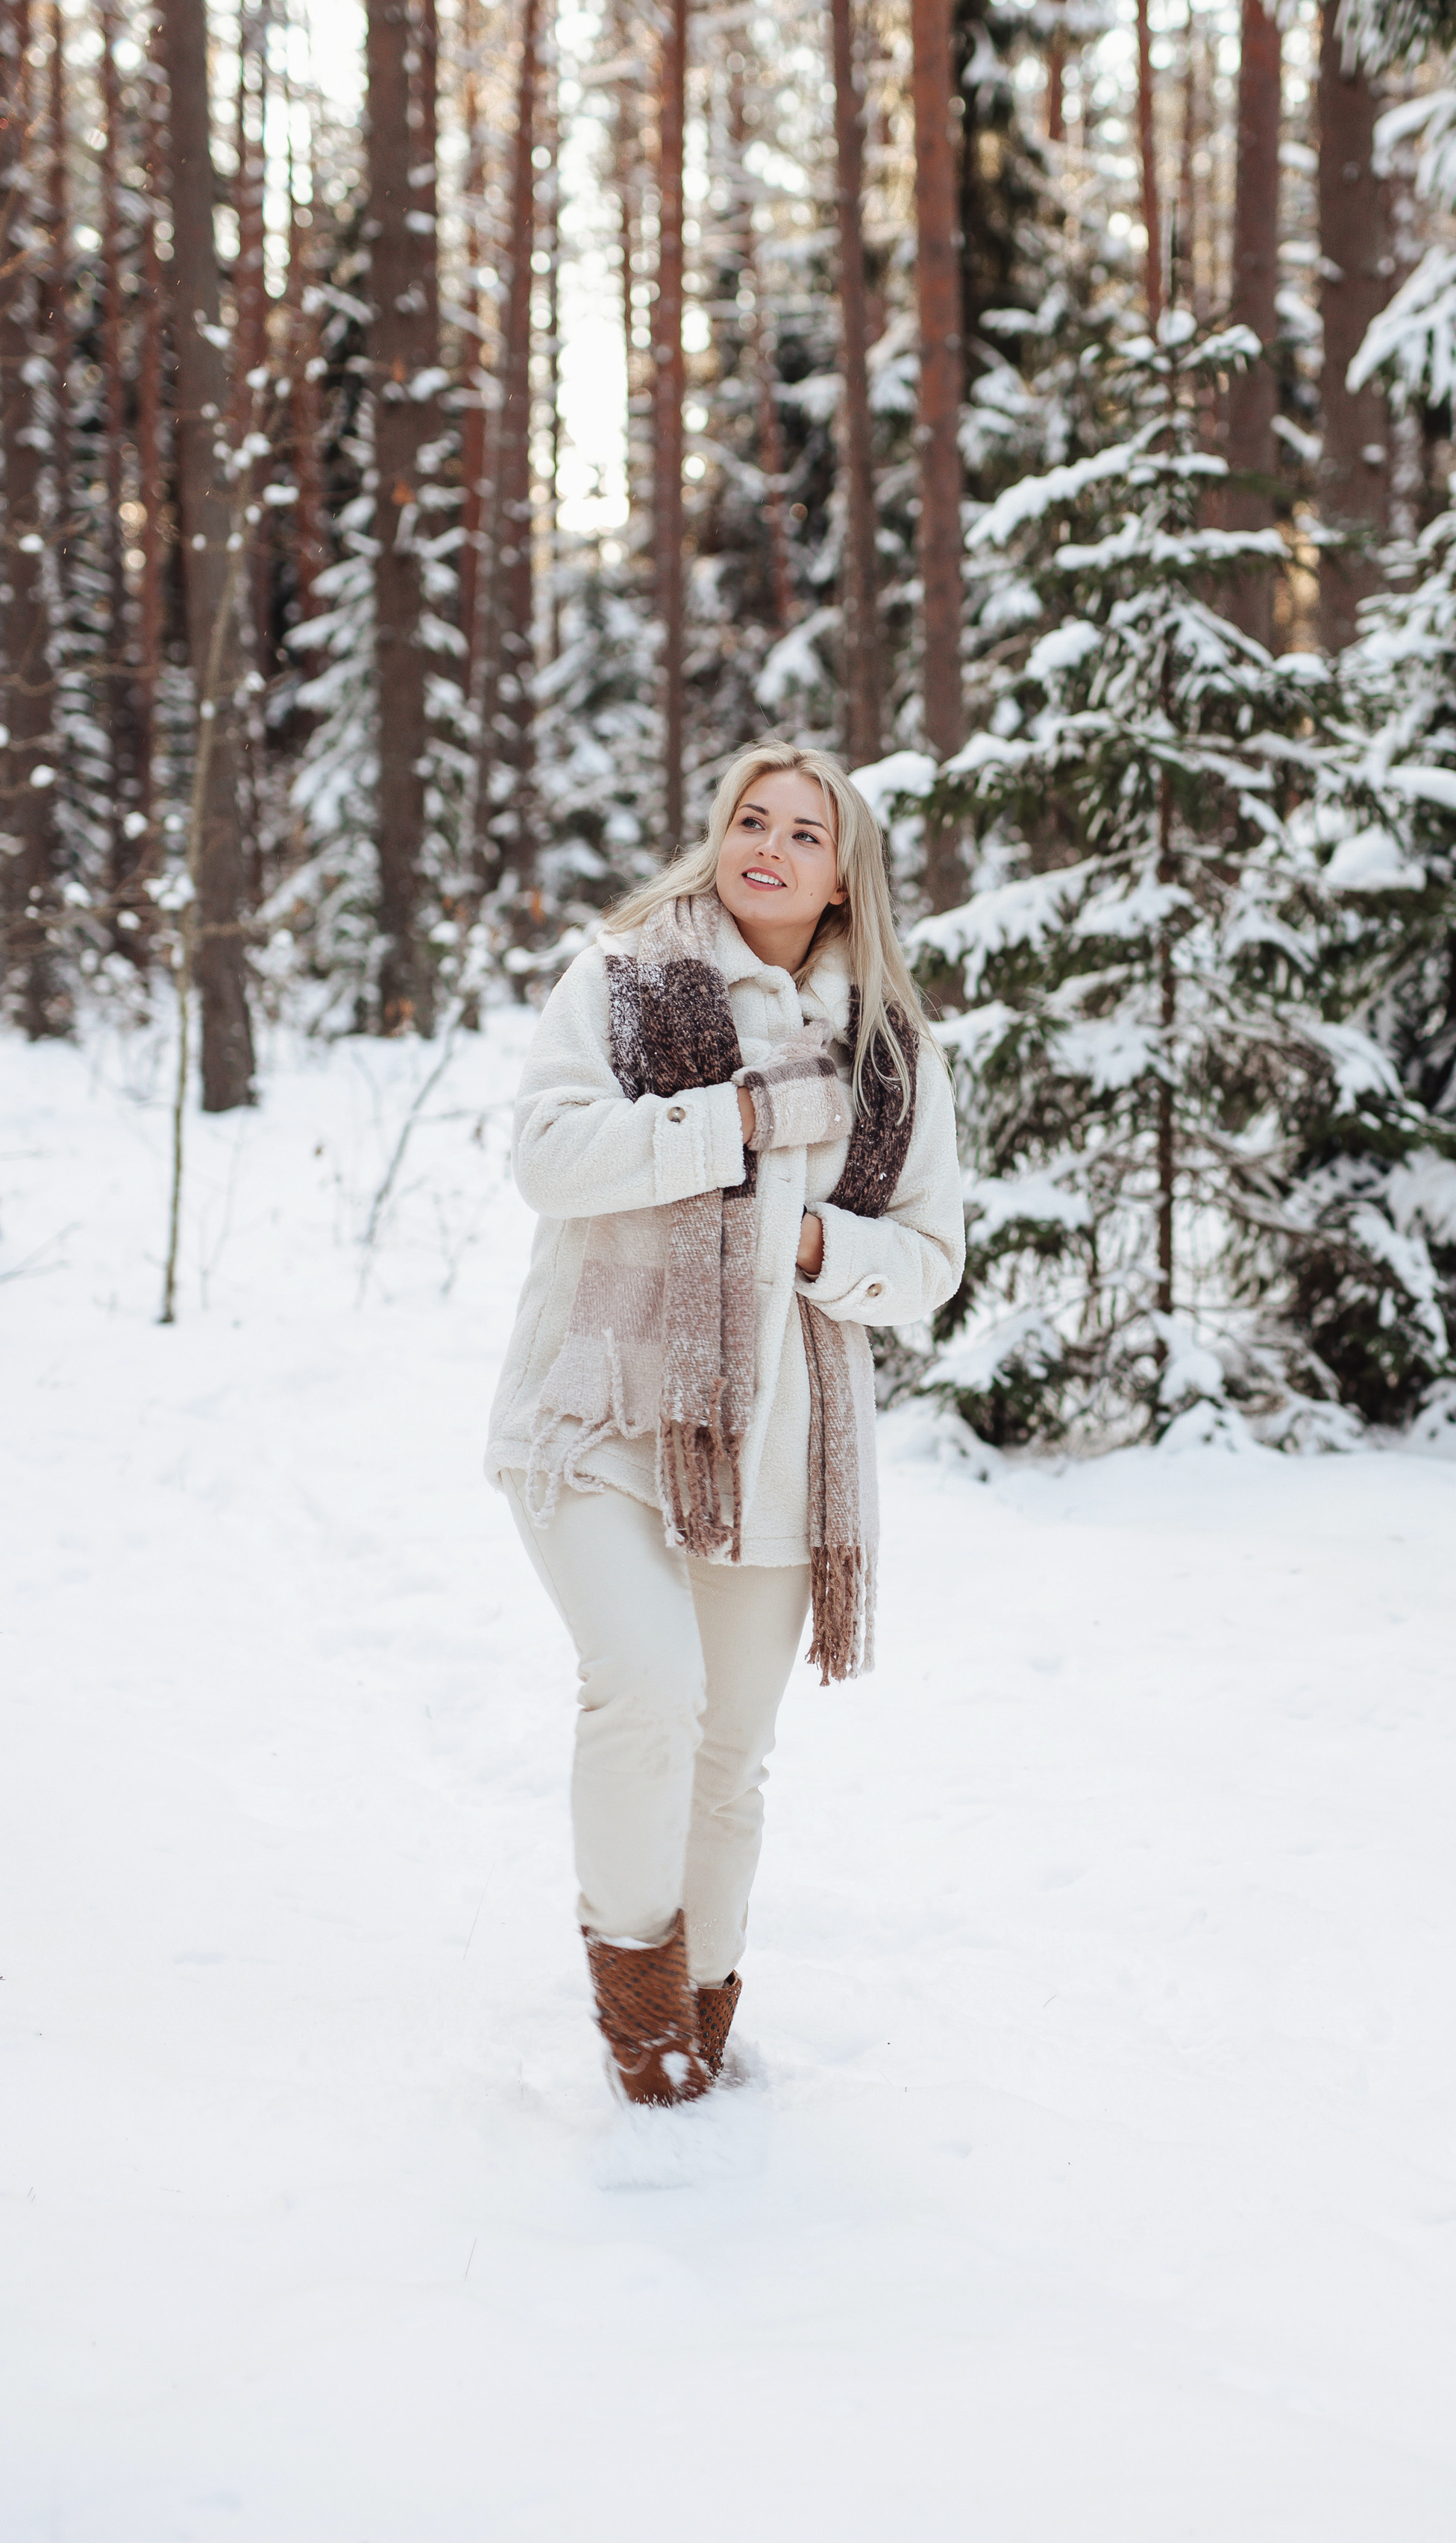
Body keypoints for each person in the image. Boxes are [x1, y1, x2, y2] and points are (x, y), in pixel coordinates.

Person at [486, 741, 964, 2106]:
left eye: (803, 833)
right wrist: (737, 1121)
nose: (770, 844)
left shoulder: (891, 1054)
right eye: (749, 820)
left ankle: (702, 2010)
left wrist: (812, 1241)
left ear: (839, 878)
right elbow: (547, 1157)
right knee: (645, 1687)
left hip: (775, 1449)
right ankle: (640, 2015)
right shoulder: (621, 982)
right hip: (597, 1413)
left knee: (728, 1758)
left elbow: (928, 1259)